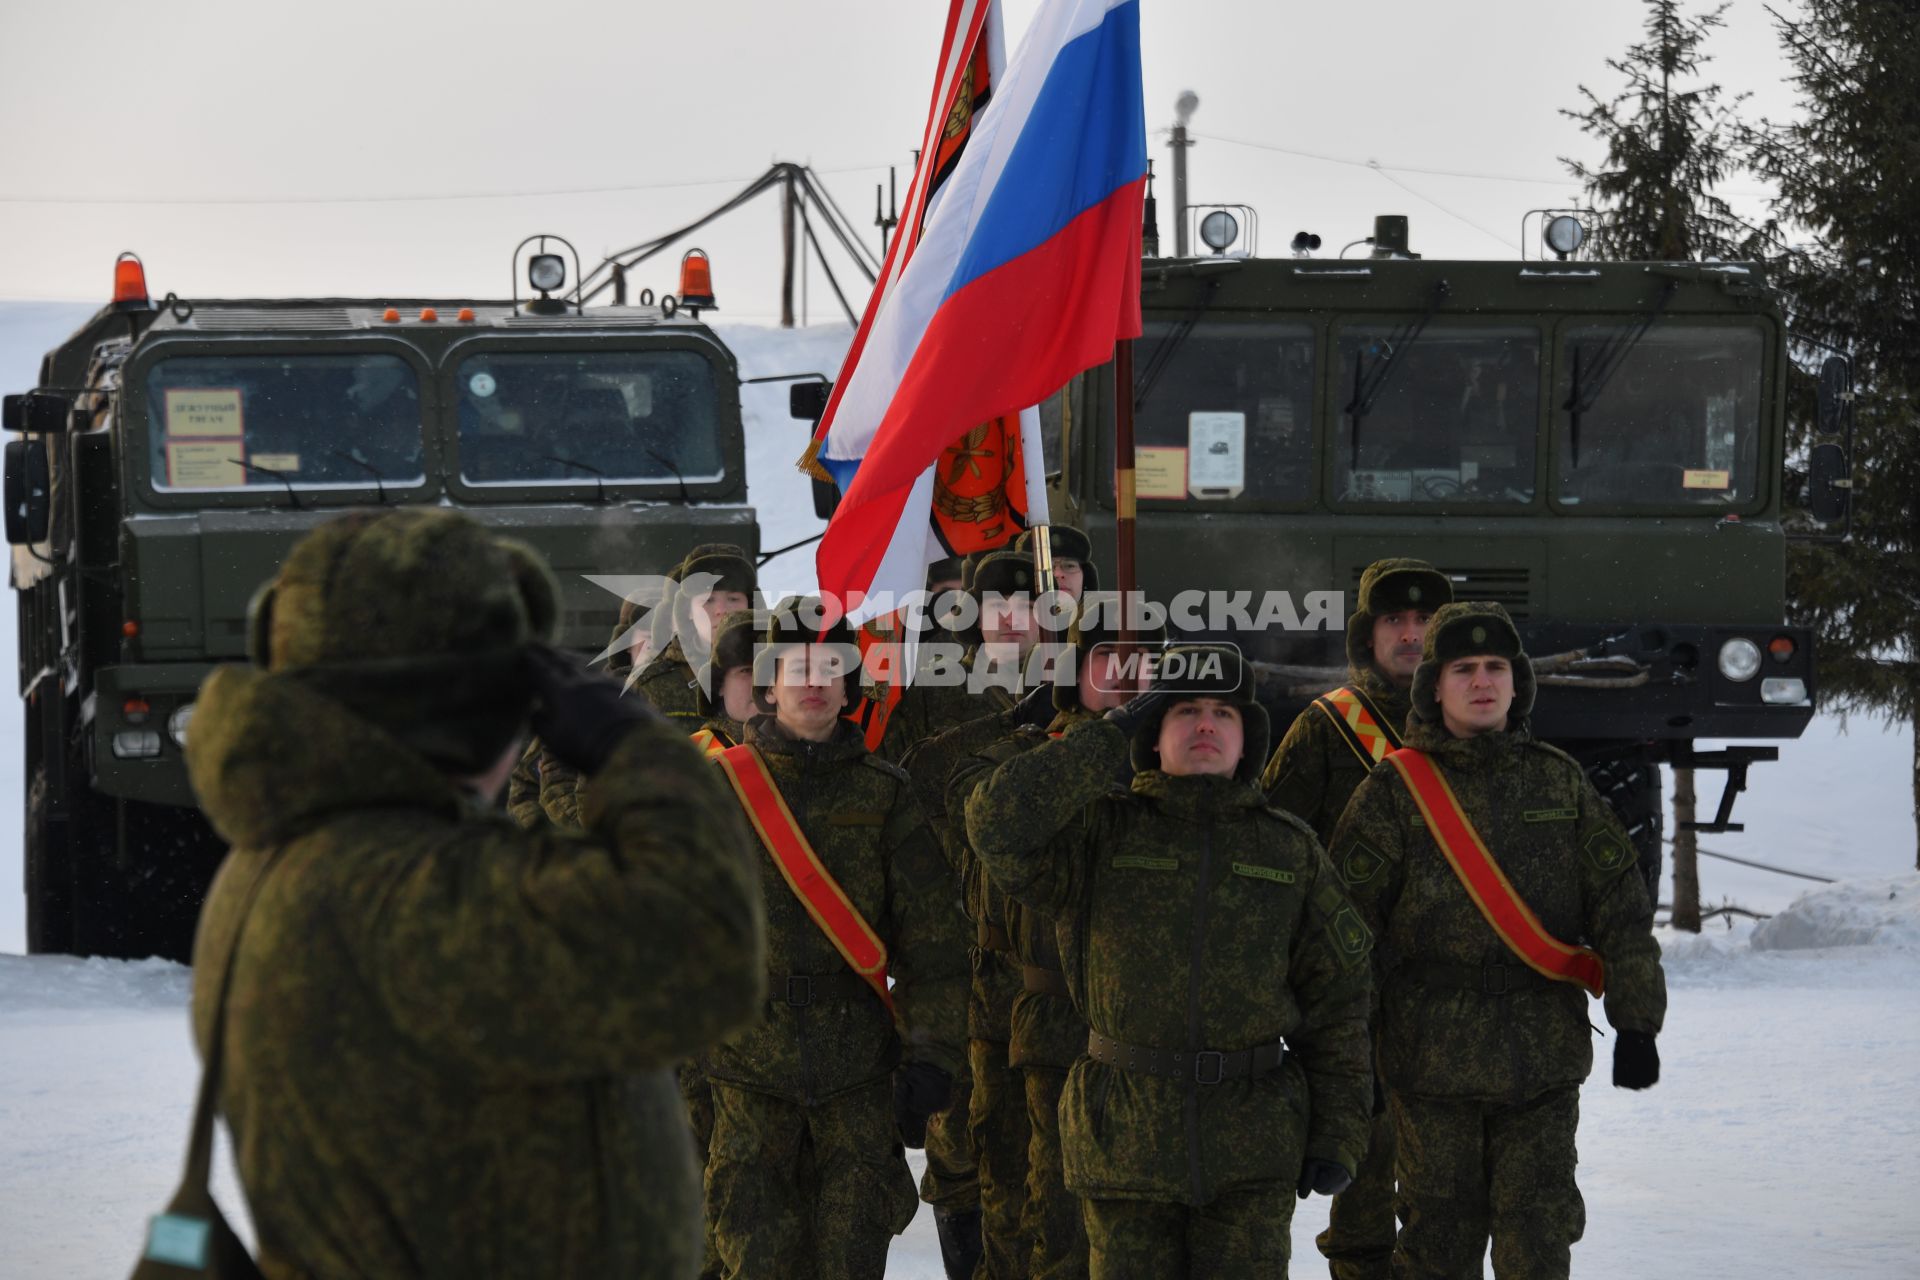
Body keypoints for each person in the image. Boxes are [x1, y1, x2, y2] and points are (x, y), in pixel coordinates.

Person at [185, 508, 765, 1278]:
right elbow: (708, 950)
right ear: (468, 706)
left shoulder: (295, 855)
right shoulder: (411, 886)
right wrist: (633, 748)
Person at [965, 644, 1374, 1277]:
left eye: (1224, 714)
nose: (1207, 725)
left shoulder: (1289, 851)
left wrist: (1339, 1131)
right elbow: (994, 821)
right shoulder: (1099, 833)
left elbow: (1338, 1005)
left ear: (1248, 742)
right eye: (1184, 711)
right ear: (1153, 735)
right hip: (1123, 1143)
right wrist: (1107, 734)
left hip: (1251, 1147)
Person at [1328, 602, 1666, 1280]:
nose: (1482, 681)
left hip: (1540, 1057)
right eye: (1463, 669)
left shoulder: (1559, 781)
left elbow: (1620, 910)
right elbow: (1344, 939)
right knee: (1436, 1243)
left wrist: (1636, 1023)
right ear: (1435, 686)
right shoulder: (1394, 792)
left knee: (1540, 1236)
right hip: (1429, 1062)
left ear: (1516, 684)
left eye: (1496, 668)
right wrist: (1349, 1057)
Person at [702, 597, 970, 1280]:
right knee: (752, 1263)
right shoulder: (718, 794)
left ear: (851, 684)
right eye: (797, 665)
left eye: (831, 665)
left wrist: (933, 1058)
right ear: (768, 683)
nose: (814, 679)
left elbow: (935, 945)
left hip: (859, 1082)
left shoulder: (887, 796)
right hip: (745, 1077)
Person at [941, 594, 1154, 1280]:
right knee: (1027, 1208)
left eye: (1142, 664)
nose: (1126, 677)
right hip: (1034, 1015)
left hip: (1148, 1028)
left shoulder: (1177, 764)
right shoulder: (1024, 756)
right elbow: (956, 796)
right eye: (1108, 661)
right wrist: (1041, 723)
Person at [1259, 557, 1452, 1280]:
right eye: (1394, 622)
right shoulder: (1326, 729)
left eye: (1424, 622)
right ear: (1366, 636)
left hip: (1455, 1005)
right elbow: (1273, 854)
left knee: (1450, 1201)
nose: (1410, 635)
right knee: (1365, 1196)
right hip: (1359, 998)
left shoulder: (1481, 725)